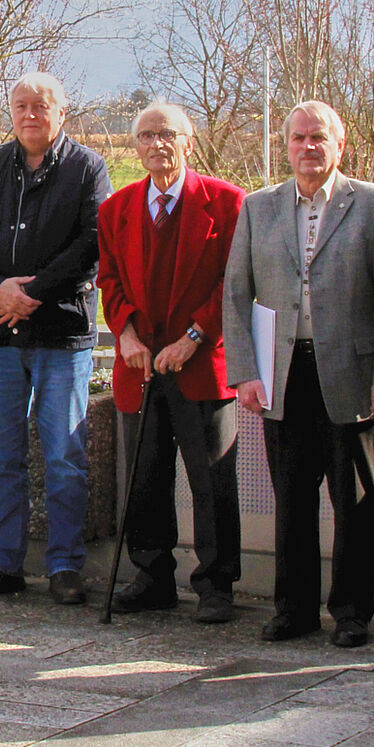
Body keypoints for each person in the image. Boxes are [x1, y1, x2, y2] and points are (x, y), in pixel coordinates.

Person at [223, 101, 374, 648]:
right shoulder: (258, 207)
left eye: (319, 137)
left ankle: (352, 613)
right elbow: (235, 293)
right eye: (299, 137)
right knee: (292, 500)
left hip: (354, 375)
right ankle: (294, 610)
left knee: (355, 502)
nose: (309, 146)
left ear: (339, 145)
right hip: (282, 375)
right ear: (287, 145)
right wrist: (245, 372)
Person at [0, 72, 112, 605]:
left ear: (62, 112)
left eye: (41, 106)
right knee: (0, 454)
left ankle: (64, 567)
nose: (30, 114)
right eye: (21, 106)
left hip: (61, 333)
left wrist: (33, 293)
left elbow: (93, 243)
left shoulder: (88, 168)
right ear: (10, 112)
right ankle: (3, 564)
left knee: (64, 455)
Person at [95, 104, 246, 624]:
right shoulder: (115, 208)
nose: (156, 144)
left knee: (211, 482)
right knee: (145, 479)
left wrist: (194, 337)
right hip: (139, 369)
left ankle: (216, 585)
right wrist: (125, 333)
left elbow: (234, 283)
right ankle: (152, 577)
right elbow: (109, 281)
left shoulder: (227, 203)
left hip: (201, 366)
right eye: (146, 136)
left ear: (189, 143)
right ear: (135, 145)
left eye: (167, 134)